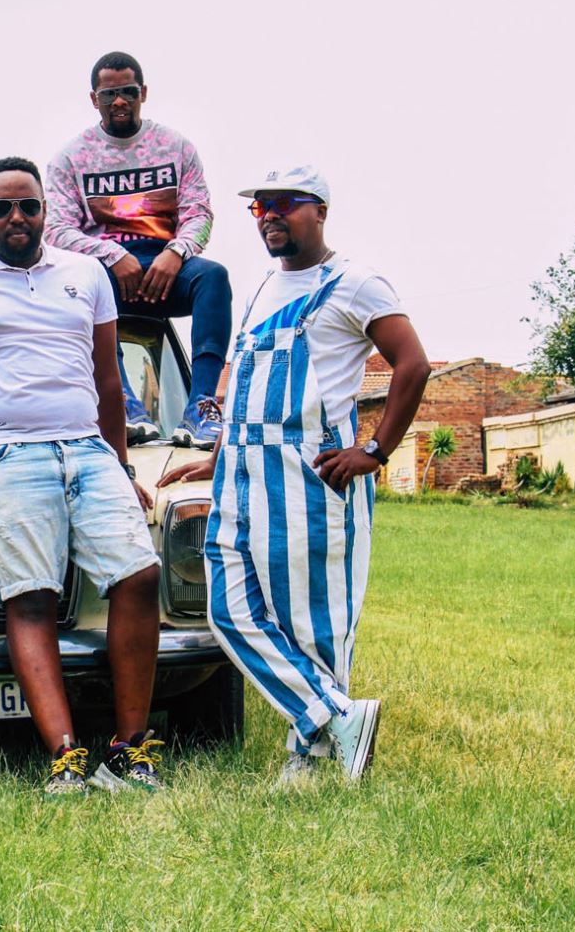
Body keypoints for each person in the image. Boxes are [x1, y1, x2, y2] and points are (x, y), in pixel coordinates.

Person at [0, 156, 165, 796]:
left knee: (140, 574)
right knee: (32, 594)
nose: (17, 218)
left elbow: (105, 380)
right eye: (3, 207)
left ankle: (130, 751)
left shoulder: (87, 274)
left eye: (29, 206)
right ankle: (65, 757)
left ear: (47, 211)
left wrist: (121, 465)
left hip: (87, 450)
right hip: (1, 454)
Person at [159, 165, 430, 787]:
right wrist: (221, 452)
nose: (269, 216)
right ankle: (337, 715)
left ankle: (309, 759)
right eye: (260, 208)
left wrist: (376, 451)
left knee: (312, 621)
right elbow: (246, 386)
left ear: (321, 210)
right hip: (242, 473)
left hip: (311, 473)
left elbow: (412, 365)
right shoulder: (261, 290)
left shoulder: (355, 283)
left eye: (285, 203)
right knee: (229, 611)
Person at [45, 51, 231, 450]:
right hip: (105, 272)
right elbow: (56, 229)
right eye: (109, 94)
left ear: (143, 93)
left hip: (168, 266)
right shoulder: (70, 158)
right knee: (83, 280)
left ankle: (201, 404)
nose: (119, 102)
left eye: (128, 92)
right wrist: (112, 256)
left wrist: (177, 252)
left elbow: (200, 213)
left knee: (213, 277)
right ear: (93, 99)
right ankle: (125, 402)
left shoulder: (175, 146)